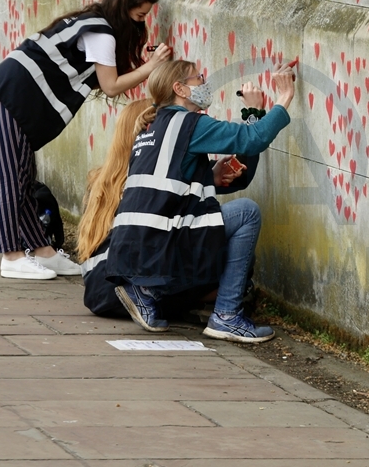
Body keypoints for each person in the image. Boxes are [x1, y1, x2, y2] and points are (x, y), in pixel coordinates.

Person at [0, 0, 172, 280]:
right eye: (140, 17)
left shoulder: (91, 22)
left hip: (14, 98)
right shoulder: (101, 32)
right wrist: (152, 66)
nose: (141, 24)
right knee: (11, 178)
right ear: (124, 10)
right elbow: (111, 85)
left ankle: (43, 251)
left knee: (24, 179)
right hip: (7, 95)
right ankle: (11, 254)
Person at [103, 58, 295, 343]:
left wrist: (209, 177)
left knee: (227, 225)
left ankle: (147, 291)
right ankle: (227, 316)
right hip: (162, 242)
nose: (205, 83)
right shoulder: (190, 123)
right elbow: (253, 139)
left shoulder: (151, 128)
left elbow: (165, 192)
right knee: (247, 212)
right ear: (180, 88)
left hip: (140, 247)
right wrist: (284, 97)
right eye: (198, 78)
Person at [77, 98, 257, 319]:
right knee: (231, 241)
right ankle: (219, 310)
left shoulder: (101, 179)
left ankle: (187, 302)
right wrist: (253, 114)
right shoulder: (151, 177)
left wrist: (209, 177)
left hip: (99, 294)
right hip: (133, 287)